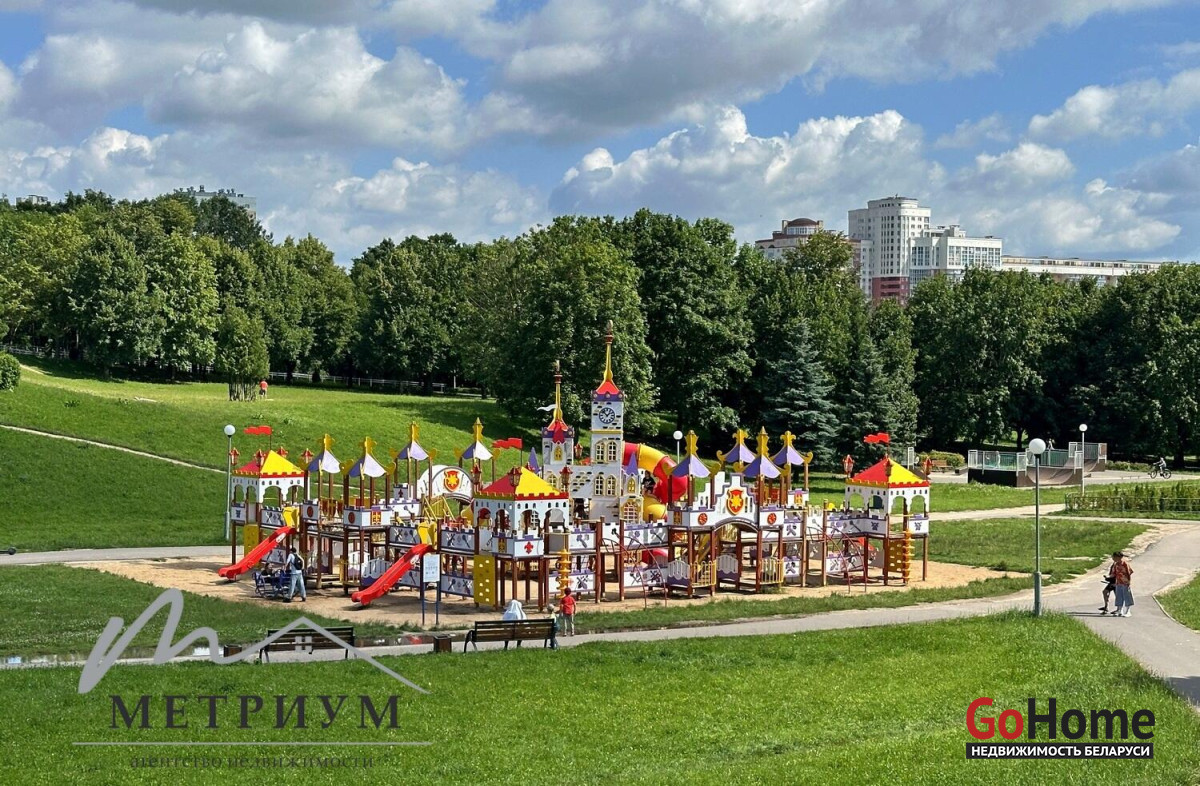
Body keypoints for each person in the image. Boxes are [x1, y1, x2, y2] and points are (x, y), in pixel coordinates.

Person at [1111, 551, 1134, 617]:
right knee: (1119, 596)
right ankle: (1119, 610)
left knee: (1127, 596)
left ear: (1119, 557)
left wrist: (1129, 582)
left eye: (1114, 557)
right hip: (1118, 582)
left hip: (1125, 582)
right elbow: (1114, 573)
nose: (1113, 558)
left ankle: (1128, 611)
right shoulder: (1116, 564)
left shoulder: (1125, 564)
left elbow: (1129, 572)